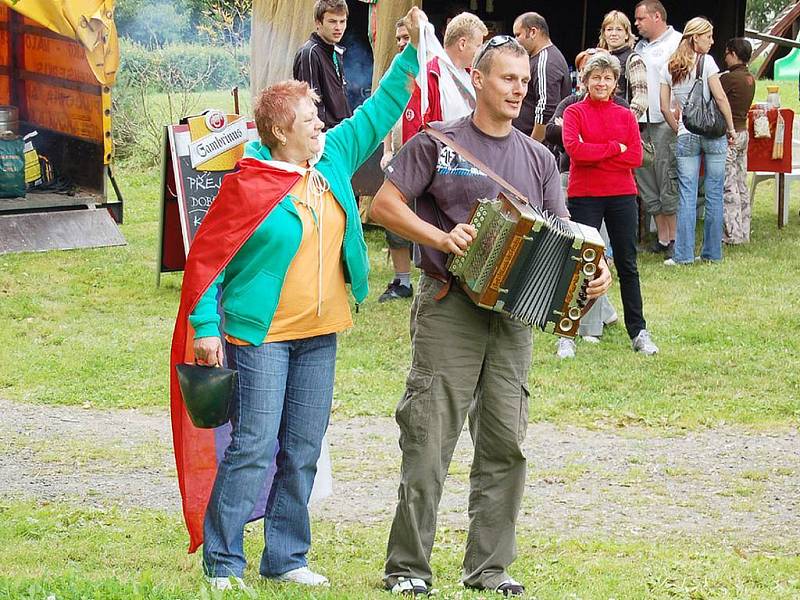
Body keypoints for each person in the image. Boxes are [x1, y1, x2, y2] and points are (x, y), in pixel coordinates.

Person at [169, 7, 424, 591]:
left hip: (321, 330)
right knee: (254, 447)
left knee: (303, 449)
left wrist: (411, 51)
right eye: (310, 119)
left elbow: (380, 109)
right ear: (280, 130)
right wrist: (206, 326)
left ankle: (285, 557)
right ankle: (224, 560)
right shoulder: (246, 182)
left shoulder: (330, 158)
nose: (320, 125)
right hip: (261, 335)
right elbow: (209, 261)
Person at [370, 36, 611, 597]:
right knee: (429, 439)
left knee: (506, 443)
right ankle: (407, 569)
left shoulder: (540, 157)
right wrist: (442, 237)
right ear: (478, 80)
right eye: (507, 79)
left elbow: (564, 234)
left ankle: (490, 570)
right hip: (448, 307)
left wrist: (594, 275)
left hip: (513, 317)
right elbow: (383, 205)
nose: (518, 89)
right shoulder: (437, 141)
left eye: (524, 81)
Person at [379, 12, 488, 302]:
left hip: (466, 166)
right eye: (479, 45)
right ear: (463, 43)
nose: (480, 52)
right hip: (435, 164)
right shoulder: (429, 73)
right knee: (416, 220)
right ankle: (409, 279)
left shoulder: (469, 79)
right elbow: (415, 126)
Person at [562, 52, 659, 355]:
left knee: (627, 263)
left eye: (607, 78)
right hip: (585, 195)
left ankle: (639, 331)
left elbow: (635, 157)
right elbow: (575, 152)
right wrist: (613, 148)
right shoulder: (575, 112)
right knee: (581, 262)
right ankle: (568, 332)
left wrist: (600, 152)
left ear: (616, 82)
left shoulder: (626, 115)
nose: (601, 83)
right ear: (586, 81)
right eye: (596, 77)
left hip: (621, 194)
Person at [545, 48, 623, 358]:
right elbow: (556, 134)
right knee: (577, 251)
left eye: (605, 76)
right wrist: (596, 145)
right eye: (589, 73)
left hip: (609, 187)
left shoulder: (618, 108)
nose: (597, 81)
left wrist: (590, 144)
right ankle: (593, 315)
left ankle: (594, 320)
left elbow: (629, 149)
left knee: (599, 251)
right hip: (570, 179)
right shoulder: (570, 104)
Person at [660, 17, 736, 266]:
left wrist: (678, 128)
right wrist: (731, 128)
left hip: (686, 134)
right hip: (713, 134)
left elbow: (664, 107)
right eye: (708, 36)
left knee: (687, 194)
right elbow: (721, 98)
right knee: (714, 192)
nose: (712, 41)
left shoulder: (670, 64)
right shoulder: (708, 62)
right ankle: (712, 253)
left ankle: (682, 255)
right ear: (695, 38)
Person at [633, 0, 682, 255]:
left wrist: (678, 109)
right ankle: (662, 238)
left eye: (640, 19)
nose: (637, 23)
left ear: (656, 16)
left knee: (667, 176)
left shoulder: (678, 42)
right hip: (640, 121)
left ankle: (674, 238)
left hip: (665, 121)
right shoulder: (638, 46)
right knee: (647, 179)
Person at [378, 17, 416, 303]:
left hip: (427, 156)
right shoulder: (393, 73)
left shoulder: (430, 70)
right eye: (399, 38)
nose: (402, 42)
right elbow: (387, 119)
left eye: (407, 37)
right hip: (400, 155)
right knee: (395, 219)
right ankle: (402, 282)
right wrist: (386, 151)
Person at [293, 0, 353, 130]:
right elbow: (310, 104)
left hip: (341, 133)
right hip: (324, 137)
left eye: (342, 21)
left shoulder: (336, 51)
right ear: (318, 23)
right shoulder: (309, 54)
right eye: (332, 21)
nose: (338, 27)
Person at [512, 12, 571, 142]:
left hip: (535, 145)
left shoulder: (545, 61)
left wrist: (532, 146)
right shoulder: (543, 57)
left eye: (518, 35)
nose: (516, 40)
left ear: (533, 32)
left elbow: (546, 109)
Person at [720, 38, 756, 244]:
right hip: (743, 133)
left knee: (729, 185)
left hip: (730, 135)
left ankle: (733, 234)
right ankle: (744, 229)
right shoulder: (750, 78)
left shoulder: (729, 79)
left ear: (733, 53)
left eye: (726, 54)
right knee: (741, 183)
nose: (725, 58)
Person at [598, 10, 648, 119]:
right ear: (604, 34)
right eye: (609, 29)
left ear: (626, 34)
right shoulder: (599, 58)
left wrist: (624, 123)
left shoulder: (634, 60)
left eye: (619, 29)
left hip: (620, 125)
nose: (614, 33)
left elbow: (641, 99)